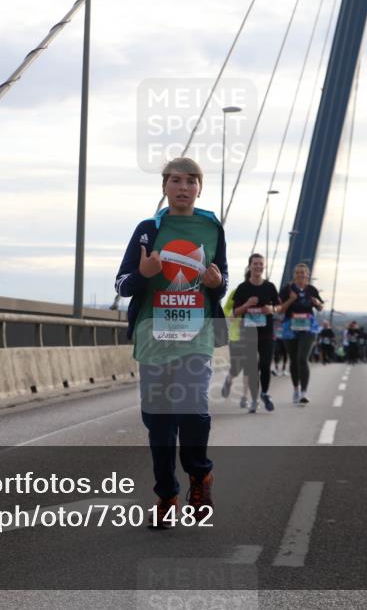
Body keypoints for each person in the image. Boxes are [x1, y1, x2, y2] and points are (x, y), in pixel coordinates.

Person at [115, 156, 228, 527]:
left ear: (199, 188)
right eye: (176, 180)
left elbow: (221, 277)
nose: (183, 187)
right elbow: (122, 284)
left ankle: (200, 475)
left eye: (191, 181)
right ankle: (166, 495)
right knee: (159, 422)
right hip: (154, 337)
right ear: (164, 186)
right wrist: (144, 275)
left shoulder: (212, 228)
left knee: (193, 409)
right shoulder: (148, 229)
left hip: (195, 336)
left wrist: (216, 284)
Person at [231, 253, 280, 412]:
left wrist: (271, 309)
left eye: (261, 264)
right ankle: (254, 400)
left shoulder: (270, 287)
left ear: (263, 266)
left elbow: (279, 307)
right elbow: (235, 313)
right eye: (255, 264)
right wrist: (247, 305)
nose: (258, 266)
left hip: (267, 334)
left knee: (265, 364)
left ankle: (264, 393)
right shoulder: (242, 288)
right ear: (250, 266)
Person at [278, 263, 323, 405]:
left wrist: (317, 303)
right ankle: (296, 389)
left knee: (302, 358)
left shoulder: (312, 289)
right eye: (298, 272)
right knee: (294, 359)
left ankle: (304, 392)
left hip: (308, 328)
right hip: (290, 327)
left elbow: (320, 307)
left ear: (307, 275)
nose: (300, 275)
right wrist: (291, 299)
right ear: (294, 274)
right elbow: (279, 310)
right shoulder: (287, 290)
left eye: (303, 273)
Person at [221, 283, 250, 409]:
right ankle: (229, 379)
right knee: (236, 367)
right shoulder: (236, 291)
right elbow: (226, 309)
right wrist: (232, 314)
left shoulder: (261, 292)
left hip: (253, 336)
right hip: (236, 335)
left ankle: (244, 397)